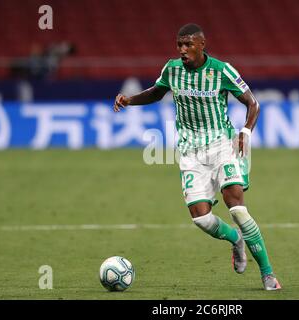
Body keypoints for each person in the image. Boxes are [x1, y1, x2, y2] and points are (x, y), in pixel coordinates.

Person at [113, 23, 281, 291]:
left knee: (235, 205)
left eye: (188, 44)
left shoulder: (221, 70)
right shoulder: (172, 69)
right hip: (191, 151)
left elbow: (253, 103)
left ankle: (268, 274)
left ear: (202, 44)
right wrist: (130, 100)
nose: (182, 50)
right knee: (201, 217)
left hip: (223, 145)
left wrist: (246, 132)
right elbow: (157, 92)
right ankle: (236, 240)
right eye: (179, 44)